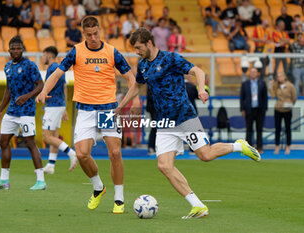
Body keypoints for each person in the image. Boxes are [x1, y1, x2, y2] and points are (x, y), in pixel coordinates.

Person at [116, 27, 261, 219]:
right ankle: (198, 206)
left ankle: (238, 146)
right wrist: (121, 106)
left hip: (184, 116)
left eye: (138, 47)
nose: (136, 51)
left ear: (149, 43)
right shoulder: (143, 65)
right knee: (164, 166)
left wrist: (201, 89)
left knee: (205, 155)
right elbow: (137, 86)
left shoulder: (170, 58)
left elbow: (197, 71)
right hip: (164, 123)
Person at [36, 16, 140, 214]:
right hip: (84, 110)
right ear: (84, 33)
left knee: (115, 152)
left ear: (100, 30)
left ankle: (119, 199)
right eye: (89, 34)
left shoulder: (111, 51)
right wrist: (43, 90)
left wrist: (134, 99)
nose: (93, 38)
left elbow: (130, 77)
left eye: (95, 33)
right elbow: (57, 73)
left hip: (108, 109)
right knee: (82, 154)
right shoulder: (76, 51)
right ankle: (98, 187)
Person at [0, 36, 46, 190]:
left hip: (26, 111)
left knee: (30, 143)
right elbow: (8, 90)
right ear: (9, 50)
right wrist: (0, 111)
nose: (16, 51)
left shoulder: (30, 65)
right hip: (12, 111)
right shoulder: (7, 67)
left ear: (22, 49)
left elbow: (40, 85)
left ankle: (41, 181)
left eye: (18, 48)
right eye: (13, 48)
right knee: (3, 142)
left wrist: (27, 96)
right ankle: (4, 180)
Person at [42, 46, 78, 174]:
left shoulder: (53, 68)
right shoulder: (58, 68)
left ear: (48, 54)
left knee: (46, 136)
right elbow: (64, 88)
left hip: (53, 106)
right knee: (54, 136)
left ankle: (71, 152)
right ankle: (51, 165)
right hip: (59, 105)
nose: (42, 58)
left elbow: (59, 87)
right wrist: (65, 109)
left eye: (43, 55)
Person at [240, 67, 268, 154]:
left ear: (257, 73)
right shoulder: (245, 84)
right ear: (249, 73)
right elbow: (242, 98)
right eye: (251, 72)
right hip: (249, 110)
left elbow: (265, 97)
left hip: (259, 110)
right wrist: (242, 109)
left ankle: (259, 148)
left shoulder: (262, 83)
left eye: (255, 72)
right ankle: (249, 148)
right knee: (249, 129)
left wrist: (264, 109)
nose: (253, 74)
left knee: (259, 129)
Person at [270, 72, 297, 155]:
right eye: (278, 76)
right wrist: (271, 86)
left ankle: (288, 147)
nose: (280, 78)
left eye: (281, 76)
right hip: (278, 109)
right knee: (277, 129)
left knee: (288, 129)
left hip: (287, 110)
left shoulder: (290, 86)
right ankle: (277, 147)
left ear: (285, 77)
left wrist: (289, 104)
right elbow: (273, 95)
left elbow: (294, 97)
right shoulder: (276, 85)